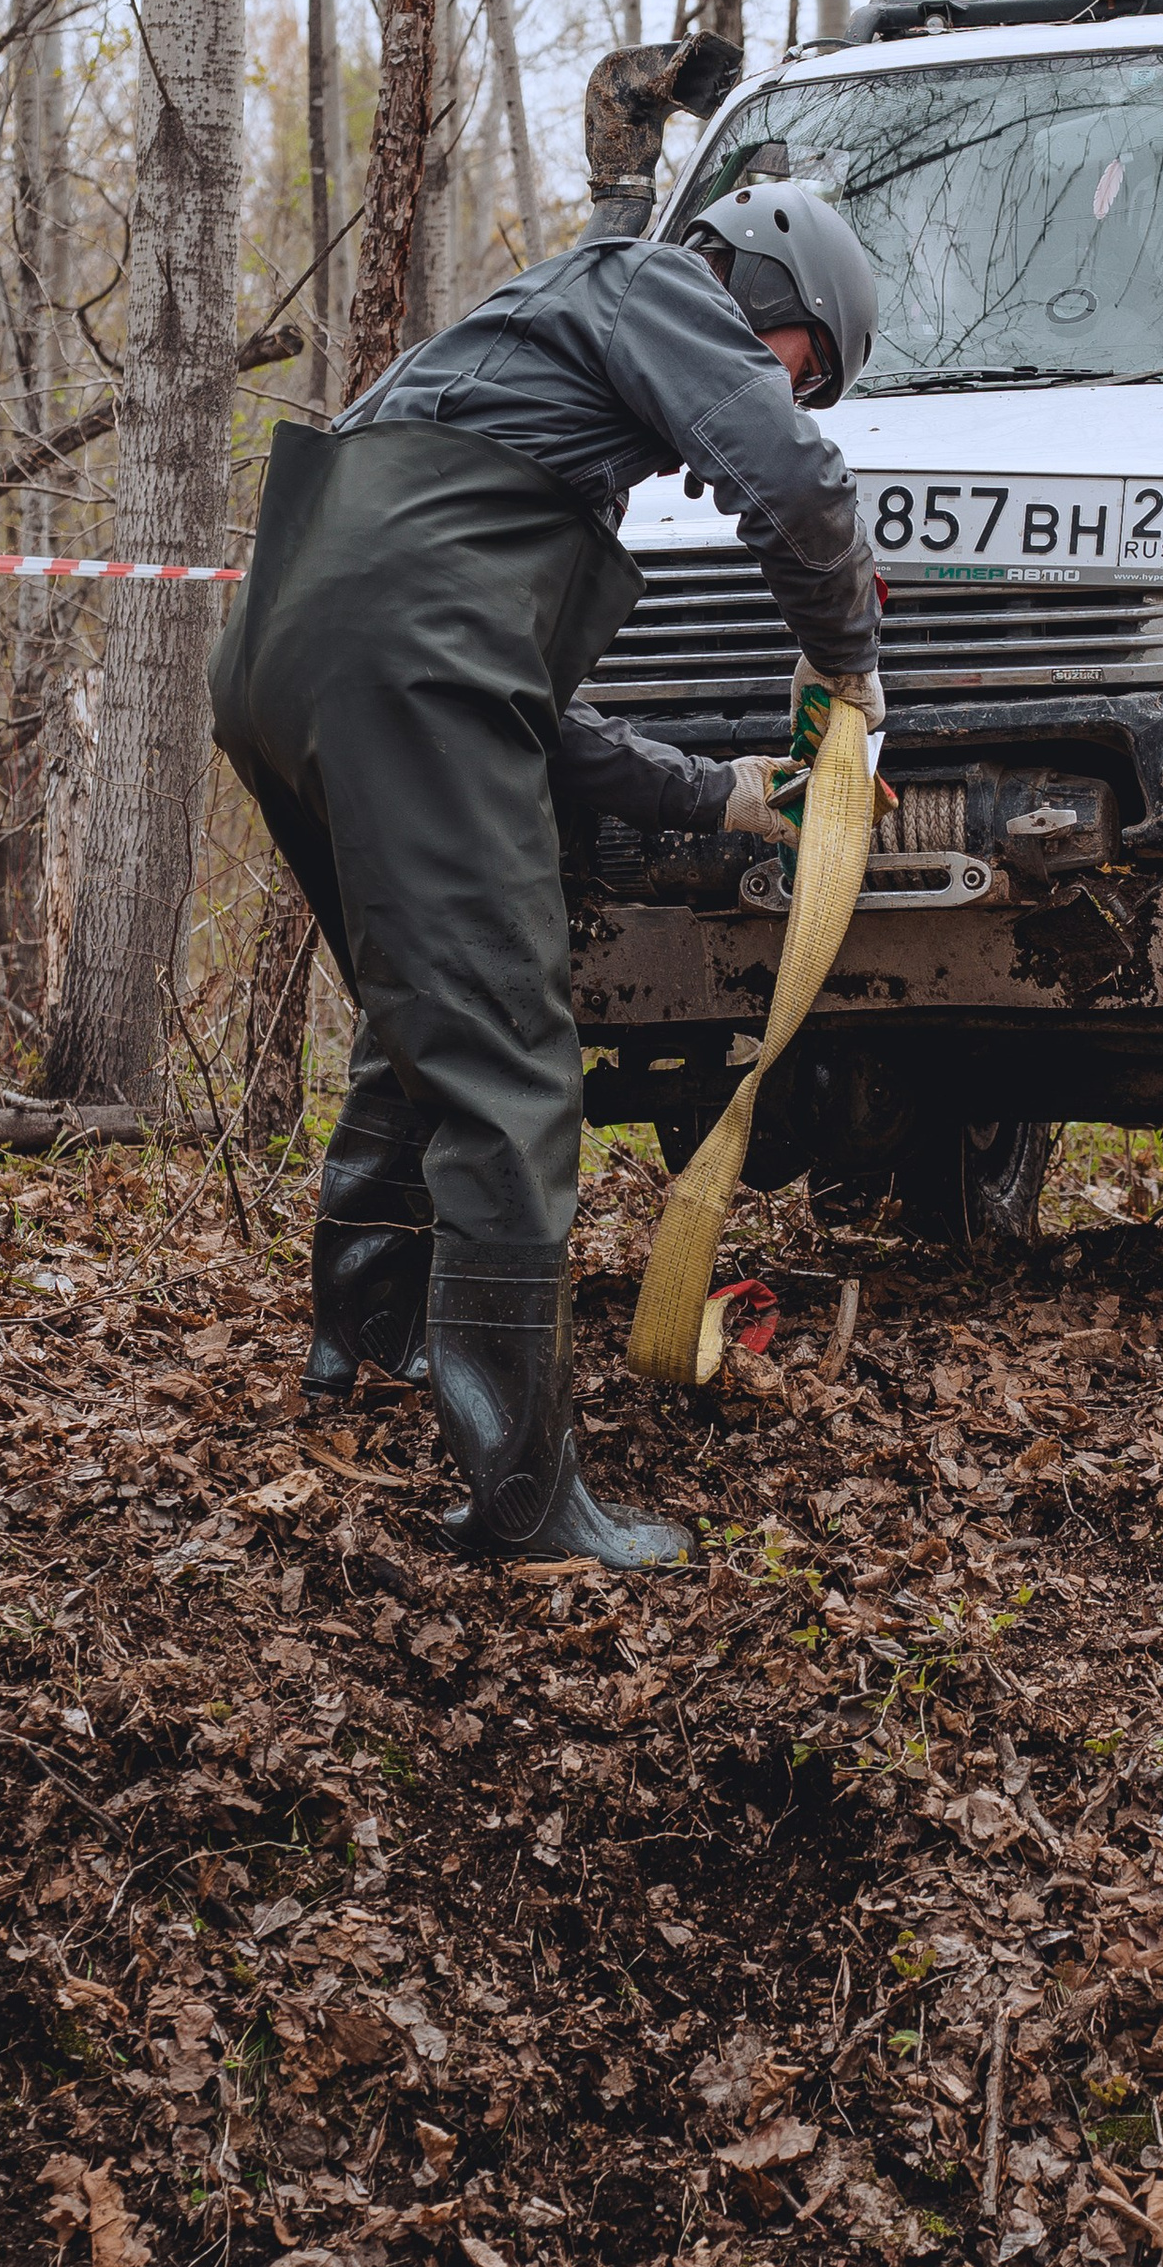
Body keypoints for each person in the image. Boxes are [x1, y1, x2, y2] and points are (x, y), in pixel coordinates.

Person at [210, 160, 883, 1572]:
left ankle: (367, 1346)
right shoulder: (656, 281)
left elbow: (521, 709)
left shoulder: (506, 396)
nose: (780, 394)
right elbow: (802, 492)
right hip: (399, 676)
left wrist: (721, 798)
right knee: (515, 1063)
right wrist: (845, 667)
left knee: (425, 1026)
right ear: (758, 282)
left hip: (283, 671)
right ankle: (524, 1502)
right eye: (795, 361)